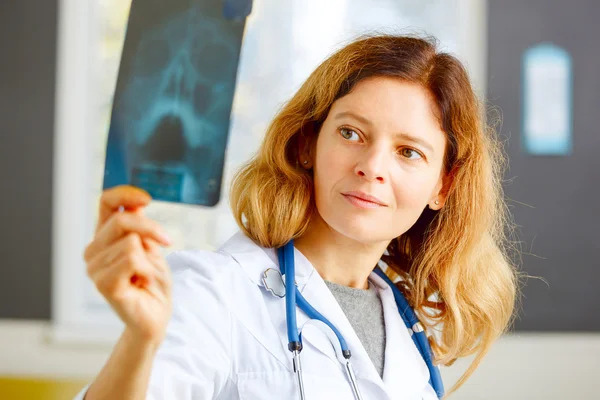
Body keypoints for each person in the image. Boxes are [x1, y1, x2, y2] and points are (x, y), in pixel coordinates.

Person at [75, 34, 519, 400]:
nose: (373, 166)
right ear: (308, 145)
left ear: (442, 186)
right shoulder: (215, 292)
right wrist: (140, 341)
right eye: (351, 133)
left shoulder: (408, 332)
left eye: (408, 152)